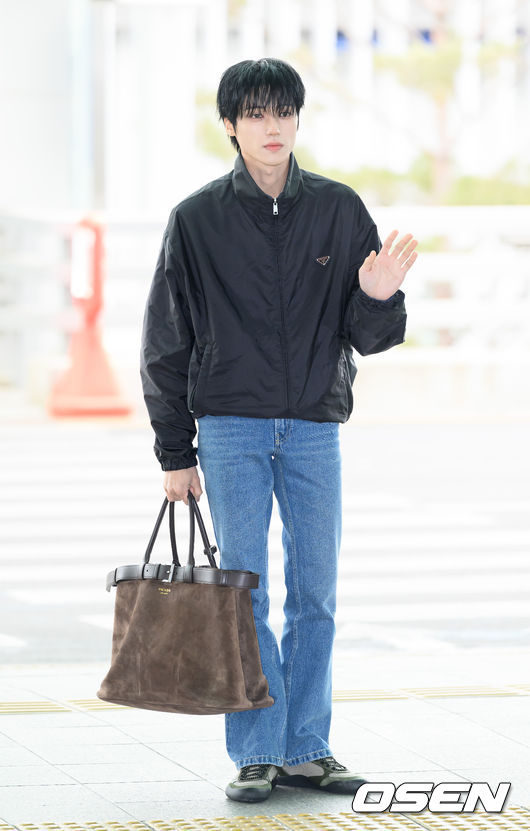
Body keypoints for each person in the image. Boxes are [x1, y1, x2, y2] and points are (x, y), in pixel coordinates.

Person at [140, 57, 418, 804]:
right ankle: (258, 751)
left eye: (284, 112)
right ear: (231, 125)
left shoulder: (337, 209)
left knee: (316, 594)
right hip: (229, 429)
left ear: (298, 119)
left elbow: (369, 337)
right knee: (244, 593)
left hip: (313, 427)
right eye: (256, 113)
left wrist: (378, 297)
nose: (273, 127)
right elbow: (166, 341)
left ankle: (307, 748)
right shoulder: (196, 220)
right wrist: (175, 451)